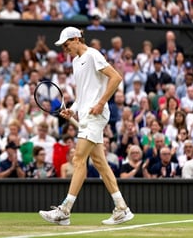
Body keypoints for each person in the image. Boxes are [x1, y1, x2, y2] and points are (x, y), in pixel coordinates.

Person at [39, 26, 134, 226]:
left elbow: (116, 77)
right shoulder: (75, 62)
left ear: (76, 39)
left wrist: (100, 103)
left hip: (95, 115)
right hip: (86, 115)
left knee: (78, 159)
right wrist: (73, 109)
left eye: (66, 45)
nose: (65, 49)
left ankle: (64, 210)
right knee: (100, 163)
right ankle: (122, 208)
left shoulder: (92, 54)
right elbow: (83, 94)